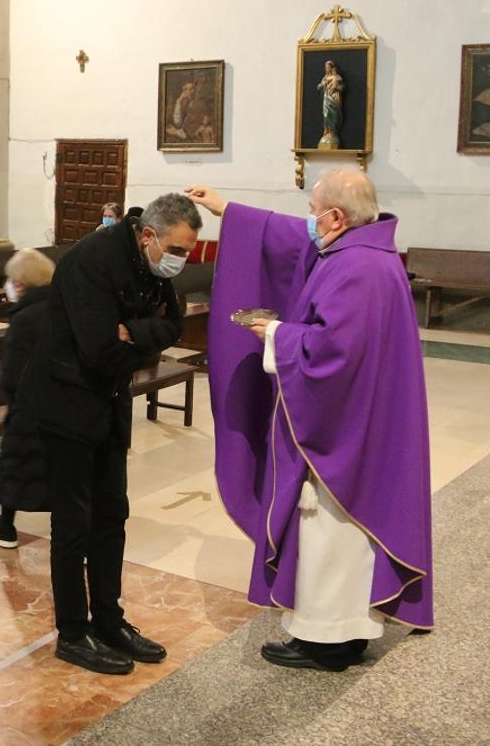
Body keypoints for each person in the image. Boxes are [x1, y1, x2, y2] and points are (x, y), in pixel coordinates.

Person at [187, 170, 433, 673]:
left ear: (337, 217)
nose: (309, 220)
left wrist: (274, 333)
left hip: (342, 430)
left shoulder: (357, 269)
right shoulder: (366, 252)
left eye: (314, 209)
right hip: (364, 419)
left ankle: (326, 642)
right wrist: (227, 211)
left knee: (330, 529)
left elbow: (332, 353)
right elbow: (287, 239)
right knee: (343, 538)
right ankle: (349, 634)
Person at [14, 194, 199, 675]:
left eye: (188, 252)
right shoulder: (92, 260)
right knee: (73, 524)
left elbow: (175, 326)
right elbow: (98, 349)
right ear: (148, 236)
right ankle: (73, 634)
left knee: (112, 515)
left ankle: (109, 621)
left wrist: (131, 334)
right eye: (177, 249)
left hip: (109, 402)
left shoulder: (152, 267)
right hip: (65, 404)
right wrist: (143, 340)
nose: (180, 260)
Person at [0, 248, 56, 549]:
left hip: (29, 407)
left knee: (15, 465)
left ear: (20, 282)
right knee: (58, 470)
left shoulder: (24, 317)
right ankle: (69, 530)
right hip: (59, 404)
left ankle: (4, 526)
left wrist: (7, 393)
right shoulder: (59, 307)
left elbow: (13, 371)